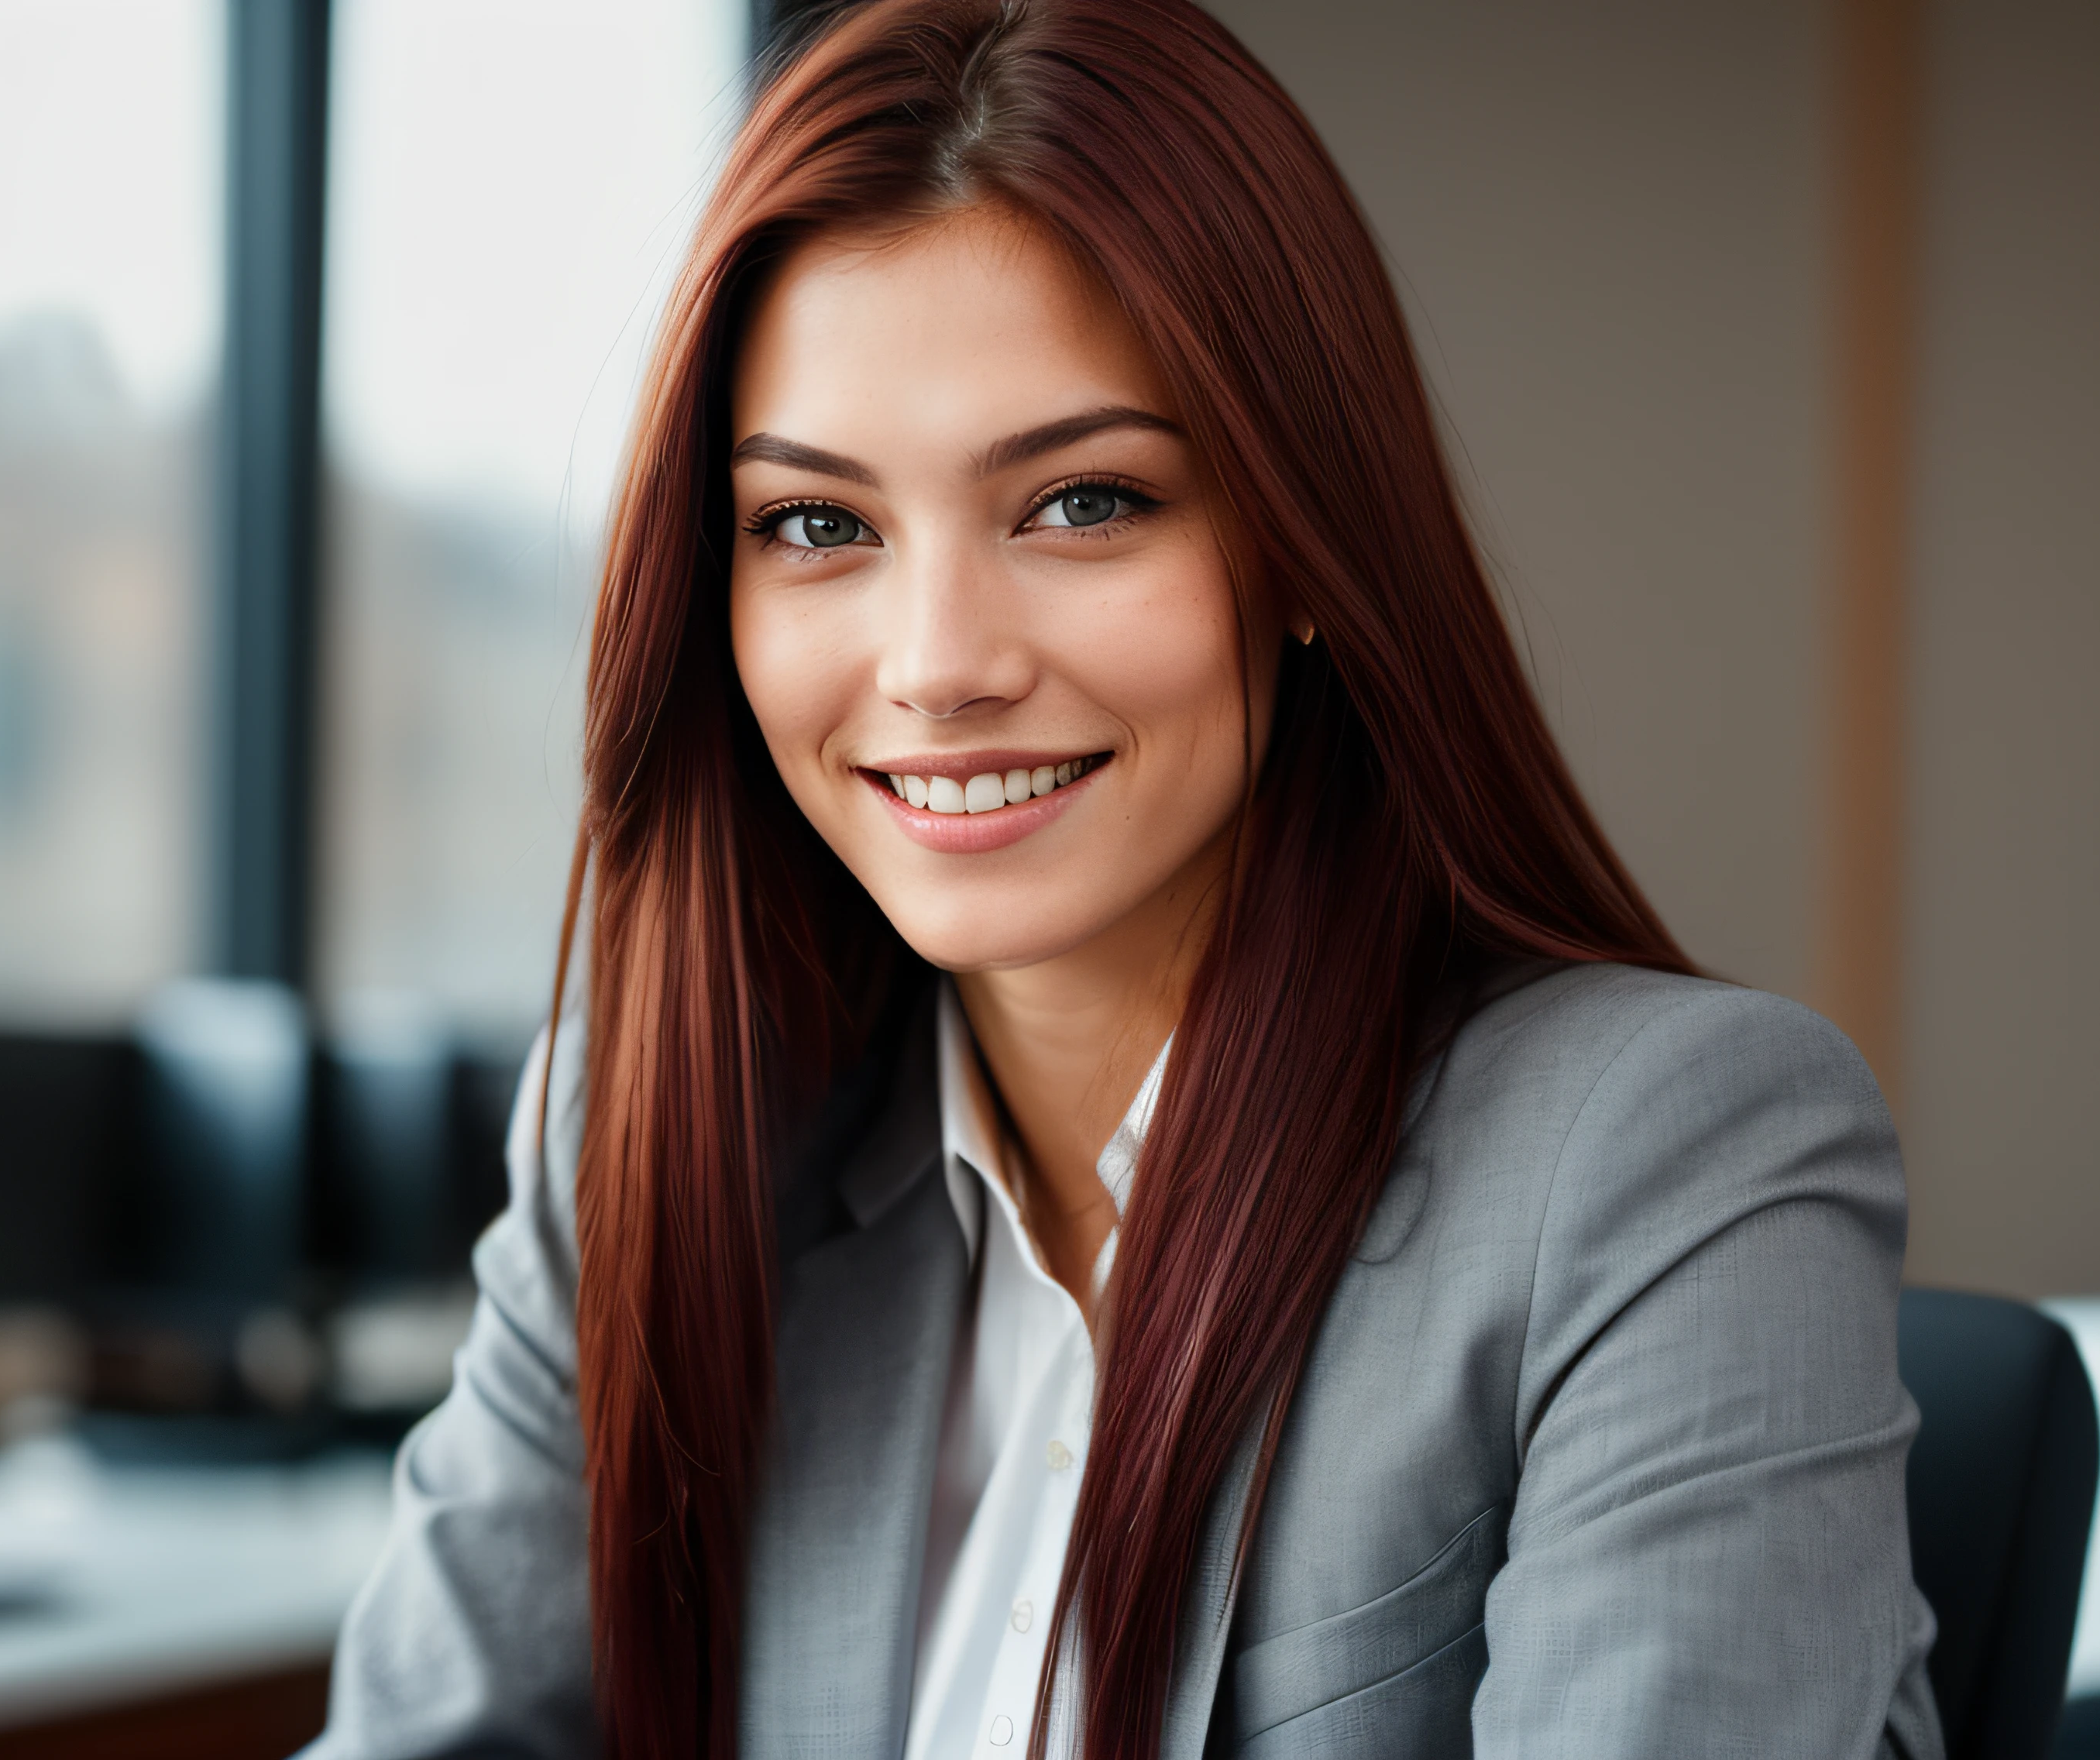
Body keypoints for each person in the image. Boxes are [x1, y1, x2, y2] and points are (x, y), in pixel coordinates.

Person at [305, 1, 1936, 1755]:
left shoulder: (1664, 1160)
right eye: (816, 524)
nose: (936, 663)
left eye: (1080, 503)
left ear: (1305, 539)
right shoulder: (654, 1138)